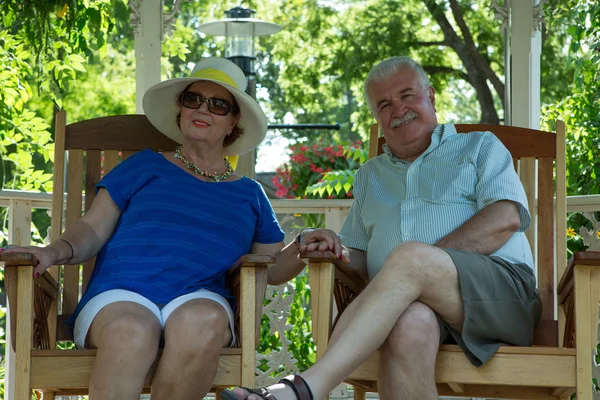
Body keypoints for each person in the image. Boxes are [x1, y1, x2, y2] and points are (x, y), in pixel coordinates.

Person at [222, 56, 542, 400]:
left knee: (410, 258)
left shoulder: (480, 146)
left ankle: (304, 388)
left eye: (407, 95)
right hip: (419, 306)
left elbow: (506, 217)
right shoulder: (370, 176)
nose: (398, 109)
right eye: (384, 104)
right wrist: (337, 249)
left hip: (501, 300)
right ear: (376, 116)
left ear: (431, 97)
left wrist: (423, 261)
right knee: (408, 325)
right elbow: (359, 255)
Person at [2, 57, 308, 400]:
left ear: (234, 122)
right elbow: (91, 229)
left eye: (218, 104)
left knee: (202, 323)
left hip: (201, 296)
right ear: (180, 110)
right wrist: (51, 251)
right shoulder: (144, 166)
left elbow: (273, 267)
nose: (203, 109)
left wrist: (305, 246)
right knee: (130, 331)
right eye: (193, 99)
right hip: (121, 295)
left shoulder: (249, 193)